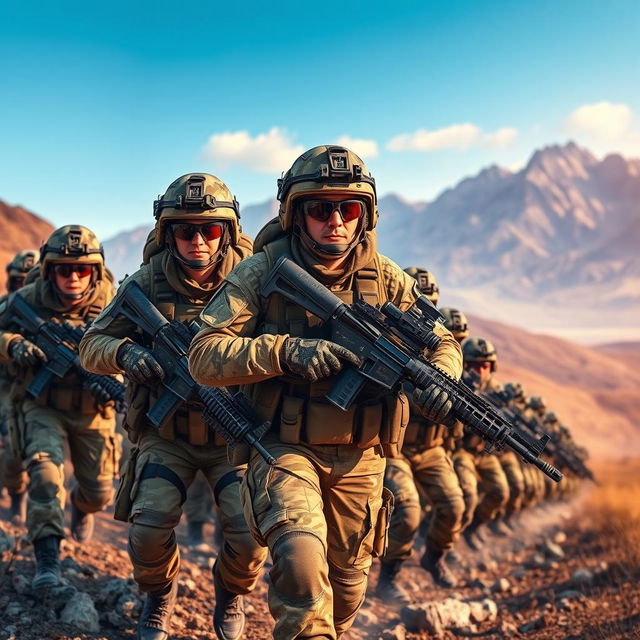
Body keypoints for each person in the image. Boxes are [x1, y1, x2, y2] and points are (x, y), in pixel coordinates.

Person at [188, 145, 463, 639]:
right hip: (284, 445)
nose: (334, 220)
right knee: (298, 559)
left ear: (366, 215)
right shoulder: (261, 271)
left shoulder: (387, 279)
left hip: (361, 456)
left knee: (347, 588)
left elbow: (441, 339)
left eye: (348, 208)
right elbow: (204, 354)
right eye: (319, 209)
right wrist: (285, 351)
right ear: (297, 215)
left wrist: (442, 375)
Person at [79, 174, 267, 640]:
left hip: (235, 436)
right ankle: (158, 595)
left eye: (211, 230)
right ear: (168, 233)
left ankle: (231, 595)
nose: (198, 241)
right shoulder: (145, 284)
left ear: (228, 231)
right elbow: (92, 344)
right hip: (169, 435)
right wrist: (127, 354)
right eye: (186, 230)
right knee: (147, 531)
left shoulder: (255, 278)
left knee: (248, 536)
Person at [0, 226, 117, 590]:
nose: (73, 278)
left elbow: (138, 342)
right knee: (46, 477)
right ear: (50, 270)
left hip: (94, 408)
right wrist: (14, 344)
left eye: (82, 270)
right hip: (42, 403)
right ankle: (47, 560)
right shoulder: (29, 298)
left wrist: (117, 368)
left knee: (100, 493)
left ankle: (82, 509)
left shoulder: (113, 300)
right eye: (64, 270)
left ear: (95, 271)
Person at [377, 281, 464, 603]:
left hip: (431, 450)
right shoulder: (387, 339)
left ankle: (434, 557)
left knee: (454, 506)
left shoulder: (444, 351)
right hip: (394, 449)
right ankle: (389, 576)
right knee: (409, 511)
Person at [457, 338, 510, 550]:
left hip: (484, 452)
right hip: (461, 451)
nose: (480, 371)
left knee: (500, 492)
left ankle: (474, 528)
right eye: (475, 365)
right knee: (467, 496)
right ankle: (446, 540)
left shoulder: (495, 391)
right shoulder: (457, 382)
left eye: (485, 366)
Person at [0, 250, 38, 523]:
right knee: (12, 443)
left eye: (29, 282)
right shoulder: (5, 309)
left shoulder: (52, 314)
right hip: (6, 387)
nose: (22, 289)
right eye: (17, 283)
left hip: (39, 392)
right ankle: (16, 496)